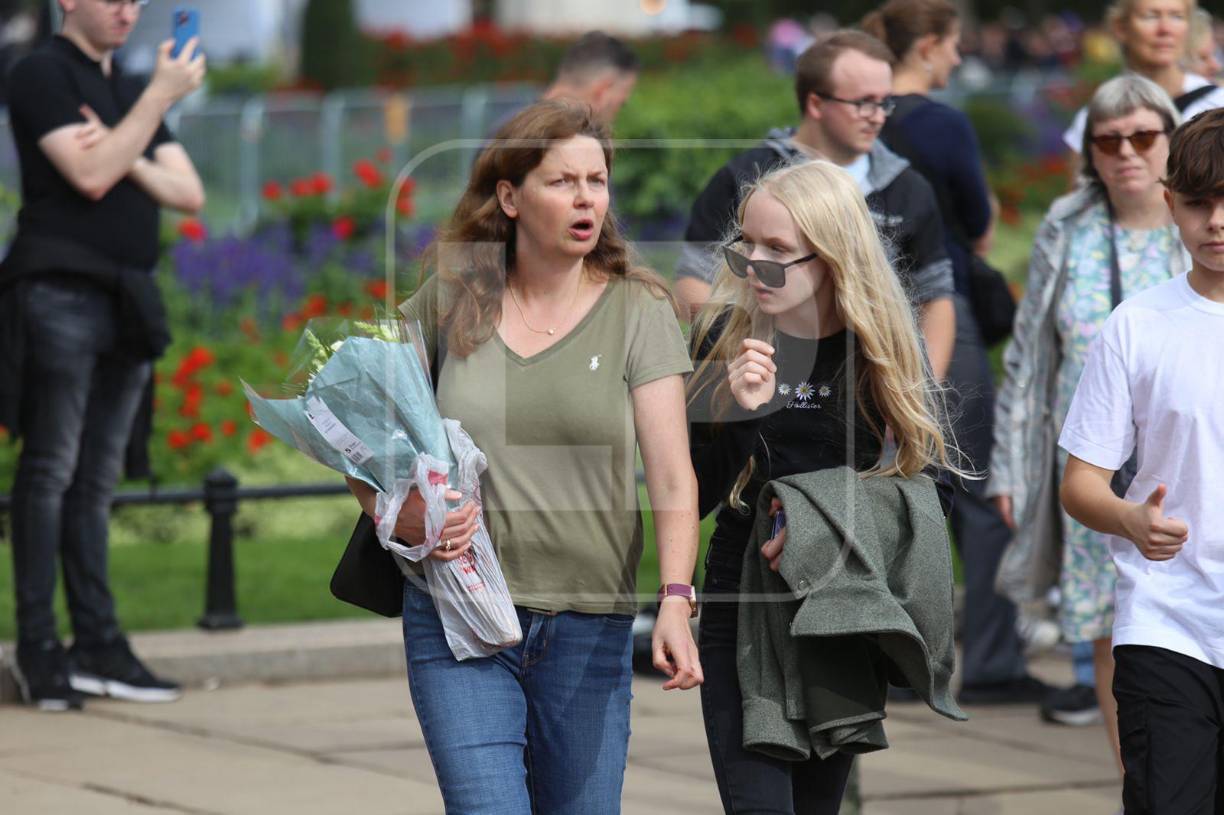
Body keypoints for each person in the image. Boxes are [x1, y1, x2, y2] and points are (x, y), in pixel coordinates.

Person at [345, 100, 702, 814]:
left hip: (589, 623)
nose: (585, 198)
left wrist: (673, 597)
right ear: (509, 197)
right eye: (562, 181)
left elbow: (670, 473)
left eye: (597, 181)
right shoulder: (450, 298)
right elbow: (360, 437)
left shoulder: (640, 310)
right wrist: (407, 516)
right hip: (459, 614)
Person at [687, 159, 964, 815]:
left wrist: (823, 528)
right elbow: (693, 494)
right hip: (742, 592)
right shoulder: (725, 335)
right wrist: (734, 411)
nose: (753, 264)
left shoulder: (881, 347)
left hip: (842, 601)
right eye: (747, 244)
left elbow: (933, 487)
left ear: (833, 257)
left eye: (778, 251)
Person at [0, 0, 205, 711]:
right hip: (58, 292)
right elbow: (86, 177)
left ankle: (97, 643)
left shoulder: (127, 92)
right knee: (50, 471)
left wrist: (129, 150)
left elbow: (189, 191)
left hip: (126, 301)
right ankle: (39, 647)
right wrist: (150, 109)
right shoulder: (40, 74)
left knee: (95, 482)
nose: (128, 9)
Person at [990, 75, 1186, 775]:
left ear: (1171, 140)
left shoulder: (1200, 224)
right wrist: (1011, 466)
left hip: (1184, 464)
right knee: (1109, 631)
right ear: (1091, 153)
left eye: (1143, 136)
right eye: (1109, 140)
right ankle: (1137, 778)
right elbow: (1031, 358)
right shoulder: (1067, 227)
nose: (1127, 153)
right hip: (1090, 470)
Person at [866, 0, 1052, 705]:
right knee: (979, 489)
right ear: (933, 46)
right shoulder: (941, 123)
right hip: (945, 310)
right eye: (953, 47)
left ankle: (899, 659)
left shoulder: (863, 118)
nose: (957, 60)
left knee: (897, 481)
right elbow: (976, 223)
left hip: (869, 314)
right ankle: (995, 662)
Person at [1058, 107, 1224, 814]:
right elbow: (1081, 482)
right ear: (1170, 205)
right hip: (1168, 619)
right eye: (1198, 203)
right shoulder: (1139, 323)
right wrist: (1128, 517)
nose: (1215, 220)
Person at [674, 30, 957, 385]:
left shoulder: (907, 188)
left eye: (885, 102)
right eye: (864, 102)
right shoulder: (748, 176)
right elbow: (692, 280)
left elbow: (935, 297)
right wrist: (735, 354)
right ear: (816, 104)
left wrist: (916, 392)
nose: (878, 116)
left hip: (863, 393)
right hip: (759, 380)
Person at [1063, 0, 1224, 153]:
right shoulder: (1096, 116)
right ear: (1121, 28)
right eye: (1150, 16)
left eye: (1177, 16)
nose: (1165, 29)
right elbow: (1082, 181)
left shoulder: (1218, 103)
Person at [540, 30, 639, 126]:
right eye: (621, 104)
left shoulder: (528, 121)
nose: (614, 118)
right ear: (602, 93)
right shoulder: (579, 140)